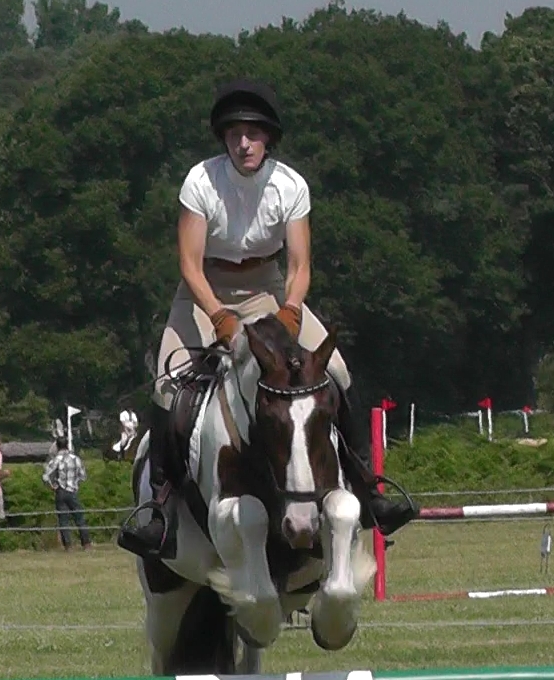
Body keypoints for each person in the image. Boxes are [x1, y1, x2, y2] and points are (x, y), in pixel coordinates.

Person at [118, 79, 416, 561]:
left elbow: (299, 265)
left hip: (270, 289)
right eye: (234, 134)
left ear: (268, 139)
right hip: (204, 291)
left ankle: (368, 489)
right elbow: (190, 264)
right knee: (167, 388)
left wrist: (291, 310)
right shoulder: (200, 181)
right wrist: (218, 316)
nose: (243, 143)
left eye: (253, 134)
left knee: (338, 371)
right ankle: (159, 510)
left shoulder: (290, 186)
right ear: (224, 138)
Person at [42, 437, 92, 551]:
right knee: (79, 517)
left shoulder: (56, 460)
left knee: (63, 520)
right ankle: (86, 543)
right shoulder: (75, 459)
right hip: (73, 491)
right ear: (67, 445)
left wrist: (52, 485)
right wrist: (75, 482)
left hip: (60, 491)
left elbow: (45, 476)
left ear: (57, 446)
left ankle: (68, 546)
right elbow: (83, 476)